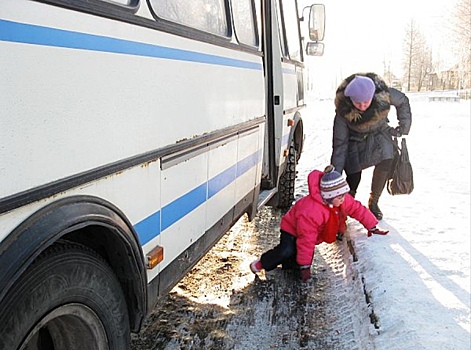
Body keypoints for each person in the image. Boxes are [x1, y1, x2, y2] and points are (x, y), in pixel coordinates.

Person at [249, 165, 389, 282]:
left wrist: (372, 226)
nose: (343, 199)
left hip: (306, 233)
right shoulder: (312, 211)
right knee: (286, 250)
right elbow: (306, 240)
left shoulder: (341, 199)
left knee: (294, 260)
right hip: (291, 230)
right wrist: (306, 267)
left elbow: (358, 209)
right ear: (329, 196)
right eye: (340, 196)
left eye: (344, 195)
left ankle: (291, 265)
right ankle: (262, 263)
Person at [330, 73, 412, 220]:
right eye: (357, 103)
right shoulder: (343, 112)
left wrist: (404, 126)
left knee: (387, 156)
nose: (362, 106)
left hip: (379, 133)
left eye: (365, 102)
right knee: (353, 171)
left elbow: (403, 101)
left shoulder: (383, 94)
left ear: (372, 96)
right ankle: (346, 204)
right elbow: (340, 145)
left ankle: (374, 202)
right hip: (354, 139)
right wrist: (334, 176)